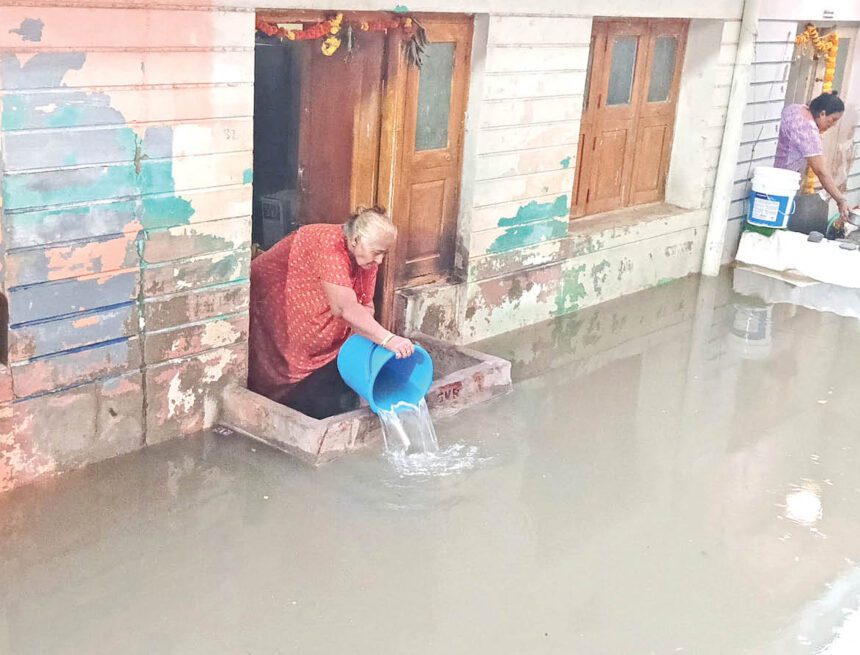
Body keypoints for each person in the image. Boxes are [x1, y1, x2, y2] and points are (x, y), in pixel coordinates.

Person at [248, 207, 414, 419]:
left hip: (318, 323)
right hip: (275, 299)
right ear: (355, 240)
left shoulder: (366, 258)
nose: (380, 261)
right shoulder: (328, 244)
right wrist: (388, 339)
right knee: (277, 369)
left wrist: (369, 344)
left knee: (327, 388)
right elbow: (343, 307)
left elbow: (365, 304)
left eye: (384, 253)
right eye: (377, 252)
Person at [774, 91, 850, 226]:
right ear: (822, 113)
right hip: (780, 182)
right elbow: (821, 171)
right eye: (832, 120)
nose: (833, 125)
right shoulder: (809, 131)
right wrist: (840, 200)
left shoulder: (795, 109)